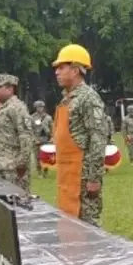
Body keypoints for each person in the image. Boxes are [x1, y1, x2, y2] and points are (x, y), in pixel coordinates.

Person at [51, 43, 108, 226]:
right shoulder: (67, 98)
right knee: (68, 223)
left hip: (82, 177)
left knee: (87, 226)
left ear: (75, 70)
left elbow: (97, 138)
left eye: (61, 67)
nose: (57, 72)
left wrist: (94, 178)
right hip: (67, 175)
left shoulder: (88, 98)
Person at [0, 74, 35, 193]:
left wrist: (22, 164)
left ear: (10, 89)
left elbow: (26, 136)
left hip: (12, 170)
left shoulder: (17, 107)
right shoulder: (3, 109)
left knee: (16, 206)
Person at [31, 100, 54, 178]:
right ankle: (39, 172)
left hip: (46, 139)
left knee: (46, 157)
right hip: (37, 139)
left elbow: (52, 129)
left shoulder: (48, 117)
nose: (40, 108)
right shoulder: (32, 118)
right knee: (37, 157)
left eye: (41, 107)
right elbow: (30, 130)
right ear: (35, 108)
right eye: (38, 107)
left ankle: (45, 173)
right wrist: (34, 139)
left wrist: (52, 138)